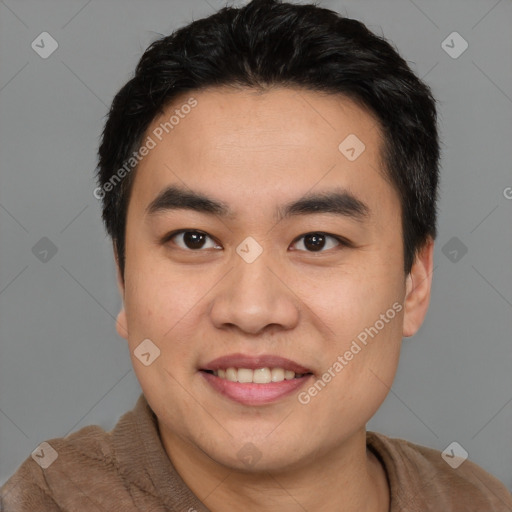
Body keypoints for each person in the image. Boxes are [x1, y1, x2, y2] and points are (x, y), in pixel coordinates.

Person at [2, 0, 511, 510]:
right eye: (194, 239)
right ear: (124, 276)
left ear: (414, 283)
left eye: (317, 241)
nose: (251, 310)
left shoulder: (475, 499)